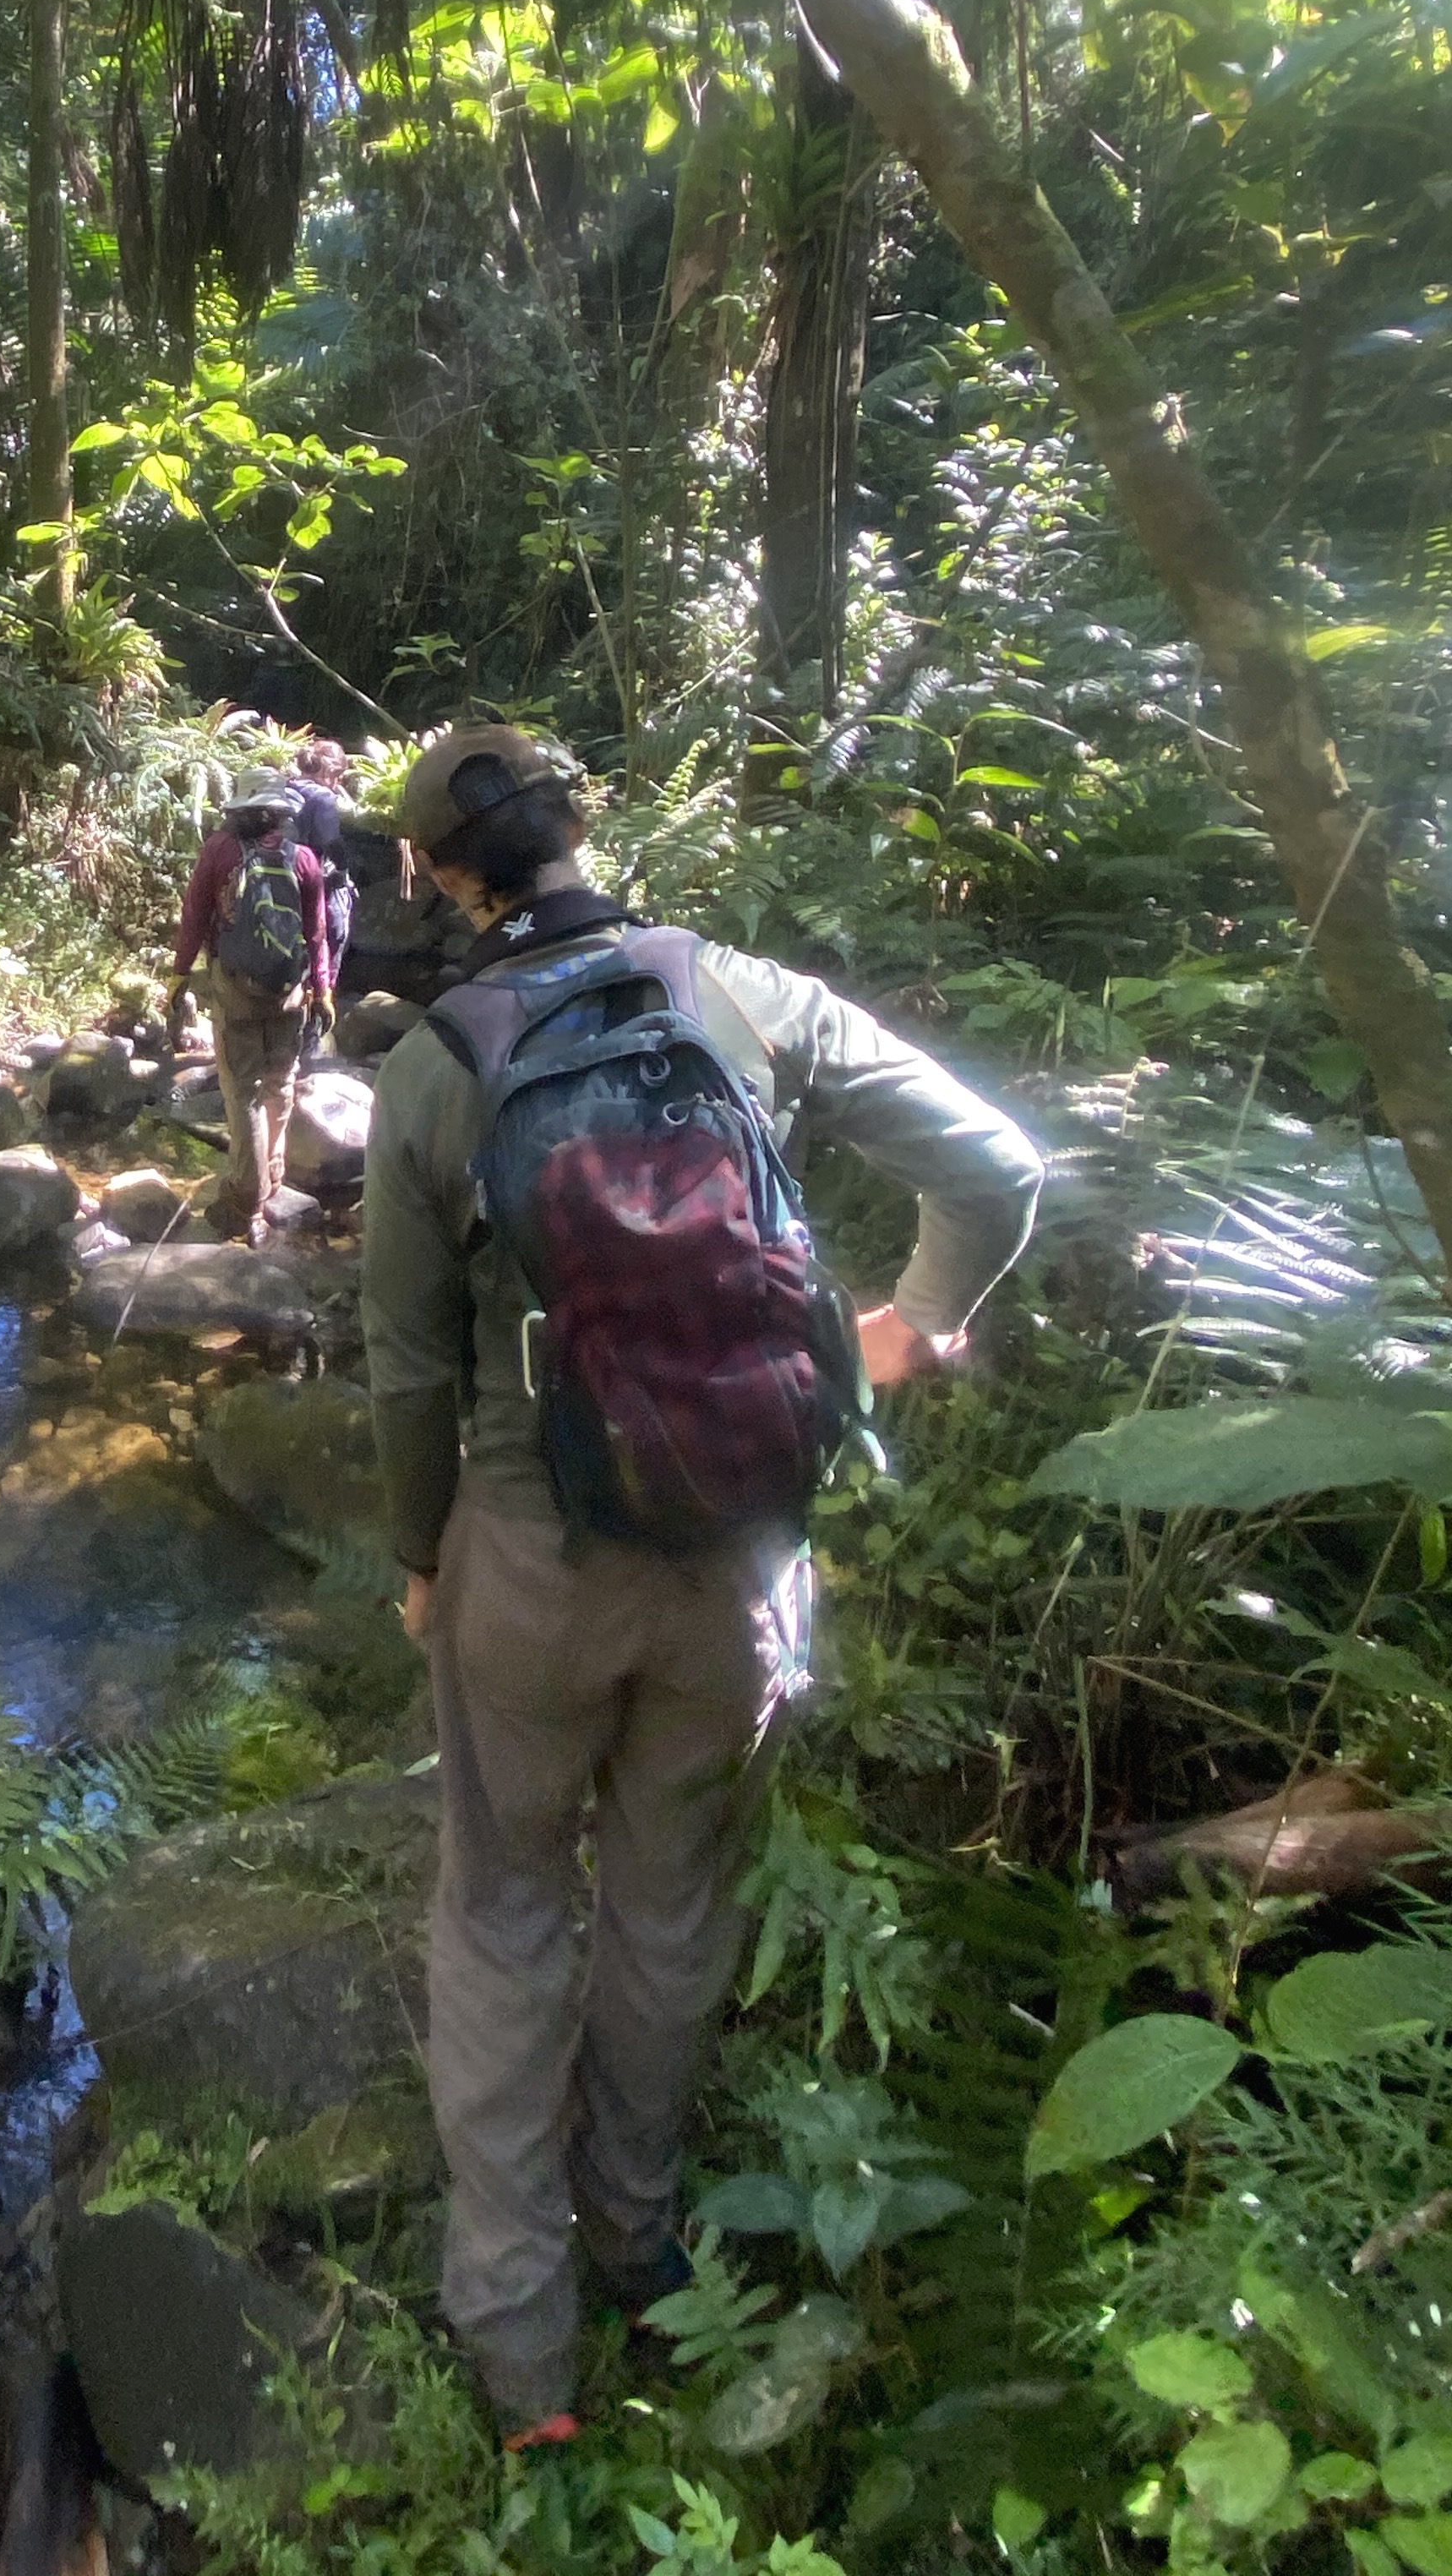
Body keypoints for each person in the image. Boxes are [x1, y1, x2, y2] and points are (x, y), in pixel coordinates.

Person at [362, 725, 1044, 2448]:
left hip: (533, 1560)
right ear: (585, 827)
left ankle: (521, 2362)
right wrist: (903, 1331)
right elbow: (1000, 1167)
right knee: (673, 1905)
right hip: (742, 1557)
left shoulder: (436, 1070)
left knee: (507, 1915)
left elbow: (408, 1377)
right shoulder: (744, 998)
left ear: (445, 871)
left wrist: (422, 1563)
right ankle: (643, 2240)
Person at [166, 780, 338, 1242]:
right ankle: (274, 1176)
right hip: (289, 989)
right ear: (280, 814)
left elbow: (195, 916)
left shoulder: (220, 850)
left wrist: (180, 974)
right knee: (281, 1081)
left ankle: (247, 1198)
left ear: (242, 810)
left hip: (236, 986)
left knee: (241, 1089)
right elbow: (317, 933)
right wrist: (323, 990)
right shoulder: (302, 858)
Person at [288, 738, 361, 1062]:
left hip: (284, 891)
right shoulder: (323, 797)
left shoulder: (283, 790)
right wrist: (345, 871)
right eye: (340, 774)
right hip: (320, 889)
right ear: (332, 772)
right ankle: (312, 1044)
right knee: (327, 953)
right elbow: (332, 844)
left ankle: (283, 1039)